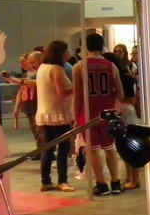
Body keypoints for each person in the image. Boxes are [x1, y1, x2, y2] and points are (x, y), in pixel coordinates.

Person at [72, 32, 124, 196]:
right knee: (110, 149)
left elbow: (77, 96)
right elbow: (120, 93)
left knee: (93, 150)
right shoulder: (111, 66)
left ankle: (101, 184)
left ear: (85, 46)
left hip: (88, 114)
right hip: (108, 112)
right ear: (102, 46)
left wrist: (76, 117)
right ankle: (115, 182)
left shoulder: (79, 66)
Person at [34, 40, 75, 192]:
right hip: (57, 114)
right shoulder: (56, 69)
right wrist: (78, 85)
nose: (69, 54)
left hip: (44, 114)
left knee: (47, 149)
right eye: (66, 52)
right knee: (63, 148)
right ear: (60, 53)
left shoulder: (42, 68)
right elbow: (62, 92)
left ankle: (45, 181)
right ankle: (62, 180)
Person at [104, 50, 142, 189]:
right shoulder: (121, 76)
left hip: (127, 113)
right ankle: (129, 177)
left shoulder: (125, 77)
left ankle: (135, 179)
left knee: (129, 147)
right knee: (123, 147)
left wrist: (115, 95)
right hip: (121, 113)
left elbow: (130, 99)